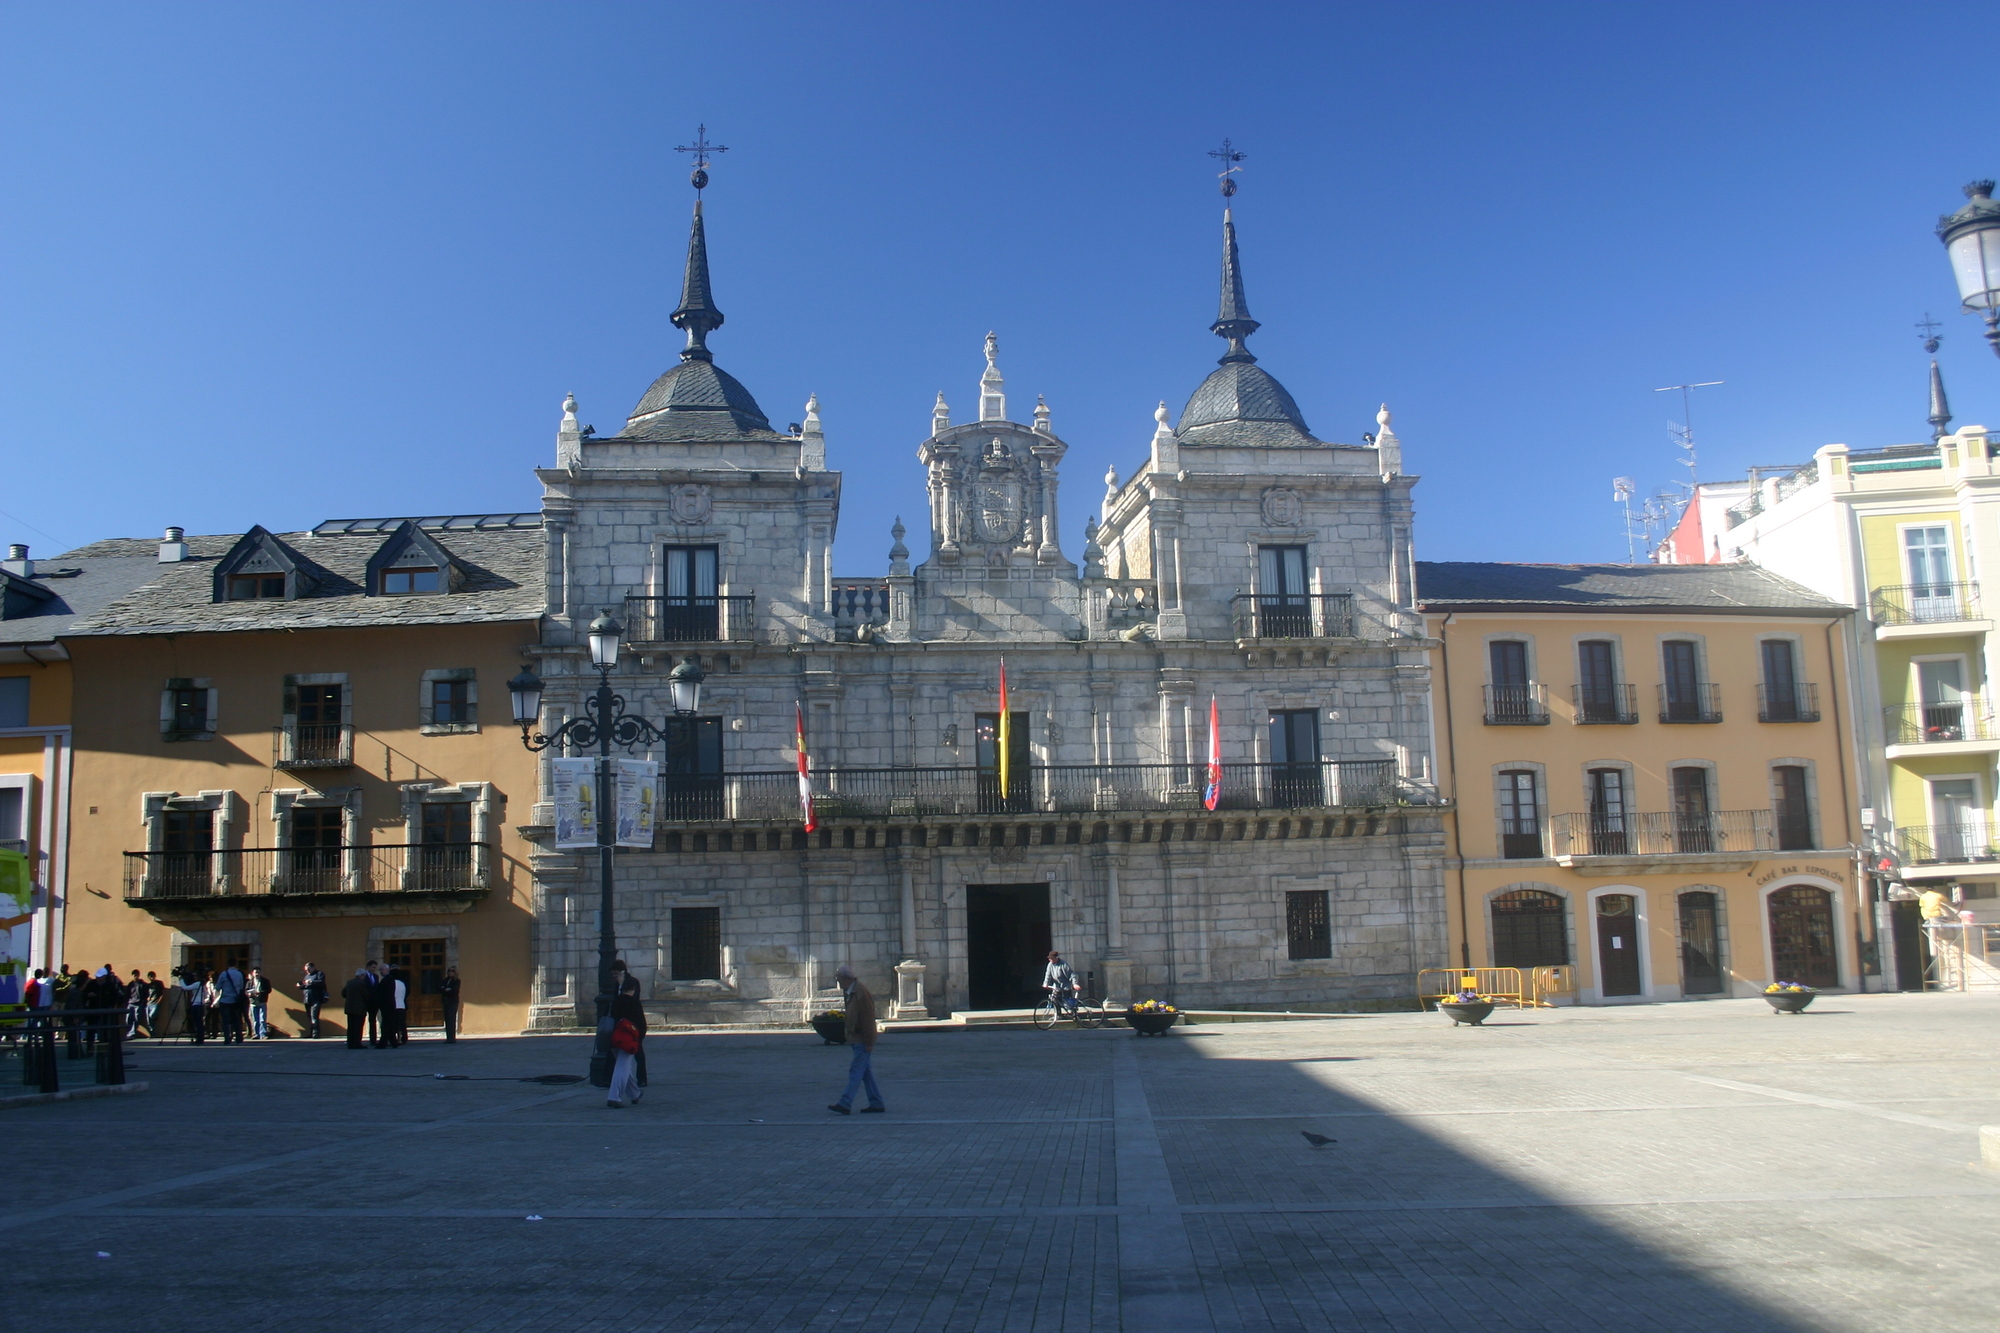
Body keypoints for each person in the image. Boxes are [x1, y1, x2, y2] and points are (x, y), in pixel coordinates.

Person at [826, 964, 885, 1115]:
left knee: (856, 1071)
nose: (837, 981)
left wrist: (869, 1041)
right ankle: (876, 1103)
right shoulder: (850, 991)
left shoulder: (860, 993)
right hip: (855, 1037)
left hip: (861, 1039)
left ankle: (845, 1103)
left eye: (838, 978)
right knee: (866, 1072)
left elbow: (868, 1018)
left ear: (846, 979)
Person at [606, 974, 646, 1109]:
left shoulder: (616, 1001)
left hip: (615, 1037)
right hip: (628, 1039)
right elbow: (641, 1023)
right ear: (633, 989)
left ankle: (635, 1094)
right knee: (622, 1068)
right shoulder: (634, 1003)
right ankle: (614, 1096)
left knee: (624, 1067)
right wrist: (640, 1037)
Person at [213, 959, 246, 1044]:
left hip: (225, 1000)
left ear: (227, 964)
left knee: (226, 1021)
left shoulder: (224, 974)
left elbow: (218, 987)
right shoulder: (239, 974)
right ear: (236, 964)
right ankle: (239, 1037)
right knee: (237, 1019)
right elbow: (242, 986)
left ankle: (227, 1038)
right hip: (236, 1000)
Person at [341, 967, 373, 1049]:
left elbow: (343, 993)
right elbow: (366, 996)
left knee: (351, 1026)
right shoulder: (362, 984)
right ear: (362, 975)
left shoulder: (349, 982)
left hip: (349, 1008)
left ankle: (350, 1043)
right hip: (359, 1008)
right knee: (358, 1026)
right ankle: (357, 1043)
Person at [1042, 951, 1079, 1017]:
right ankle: (1058, 1015)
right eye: (1049, 958)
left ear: (1056, 958)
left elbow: (1071, 975)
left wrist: (1074, 984)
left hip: (1065, 985)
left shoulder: (1063, 964)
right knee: (1055, 1000)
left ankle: (1073, 1013)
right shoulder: (1050, 965)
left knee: (1067, 1002)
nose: (1050, 960)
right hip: (1056, 986)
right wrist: (1046, 983)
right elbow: (1048, 975)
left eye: (1052, 958)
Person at [301, 963, 327, 1039]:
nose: (307, 971)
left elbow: (321, 982)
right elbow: (305, 984)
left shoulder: (319, 974)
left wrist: (312, 982)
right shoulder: (307, 976)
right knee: (309, 1017)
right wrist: (301, 985)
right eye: (306, 970)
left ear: (313, 967)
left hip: (316, 998)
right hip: (307, 998)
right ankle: (312, 1032)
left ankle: (316, 1033)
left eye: (308, 969)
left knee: (314, 1016)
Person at [245, 967, 272, 1040]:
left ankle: (263, 1034)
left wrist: (260, 993)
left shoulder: (265, 981)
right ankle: (256, 1034)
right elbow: (246, 991)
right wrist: (249, 994)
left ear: (260, 973)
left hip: (262, 1001)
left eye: (258, 972)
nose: (257, 974)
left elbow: (269, 990)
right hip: (253, 1002)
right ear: (252, 973)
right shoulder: (250, 982)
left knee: (262, 1019)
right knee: (255, 1020)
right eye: (255, 972)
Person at [182, 968, 208, 1045]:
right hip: (201, 1004)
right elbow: (206, 995)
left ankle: (199, 1039)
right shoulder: (202, 985)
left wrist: (181, 980)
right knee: (200, 1022)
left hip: (196, 1004)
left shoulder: (197, 984)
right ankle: (200, 1038)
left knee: (197, 1023)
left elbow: (186, 988)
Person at [439, 966, 461, 1044]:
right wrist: (446, 990)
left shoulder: (456, 981)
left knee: (451, 1019)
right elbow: (441, 989)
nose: (450, 973)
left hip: (453, 1002)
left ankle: (452, 1038)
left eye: (452, 971)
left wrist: (447, 990)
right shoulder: (445, 980)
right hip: (446, 1001)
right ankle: (448, 1037)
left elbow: (454, 990)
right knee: (447, 1019)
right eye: (449, 971)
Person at [387, 968, 409, 1046]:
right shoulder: (402, 983)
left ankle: (393, 1039)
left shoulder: (392, 983)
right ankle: (401, 1038)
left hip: (394, 1005)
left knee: (393, 1024)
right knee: (401, 1024)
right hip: (402, 1005)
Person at [124, 969, 147, 1038]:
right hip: (131, 1003)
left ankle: (132, 1033)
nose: (135, 976)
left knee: (136, 1019)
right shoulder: (130, 984)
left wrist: (143, 1001)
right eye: (134, 975)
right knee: (128, 1018)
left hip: (139, 1003)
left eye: (136, 975)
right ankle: (129, 1032)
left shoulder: (142, 984)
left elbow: (145, 993)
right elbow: (127, 994)